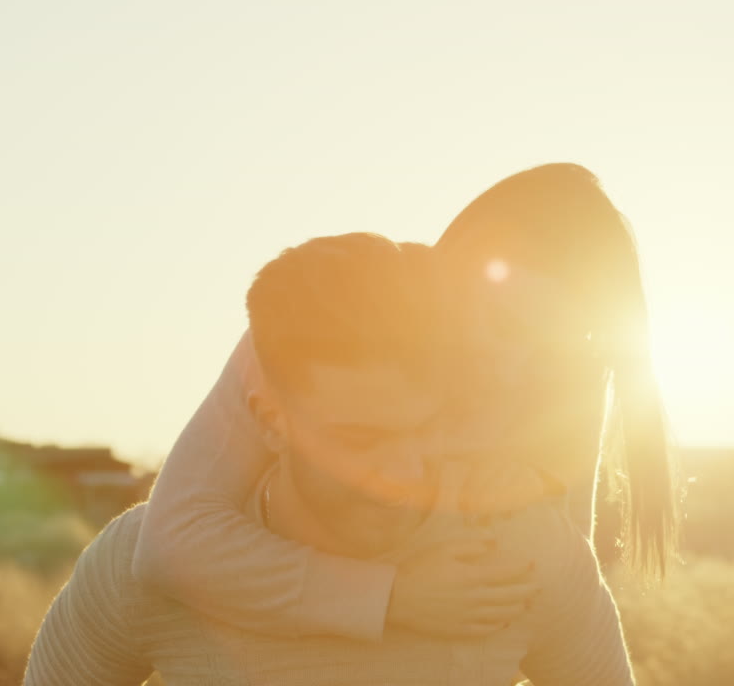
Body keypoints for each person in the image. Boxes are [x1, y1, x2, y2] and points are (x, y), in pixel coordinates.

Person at [24, 233, 634, 685]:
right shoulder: (139, 565)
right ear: (268, 419)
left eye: (428, 430)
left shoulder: (528, 552)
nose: (403, 479)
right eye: (360, 441)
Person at [130, 163, 678, 641]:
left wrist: (529, 486)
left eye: (553, 345)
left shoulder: (568, 375)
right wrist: (392, 599)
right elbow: (170, 545)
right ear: (454, 267)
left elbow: (558, 602)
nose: (515, 369)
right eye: (506, 324)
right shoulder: (324, 321)